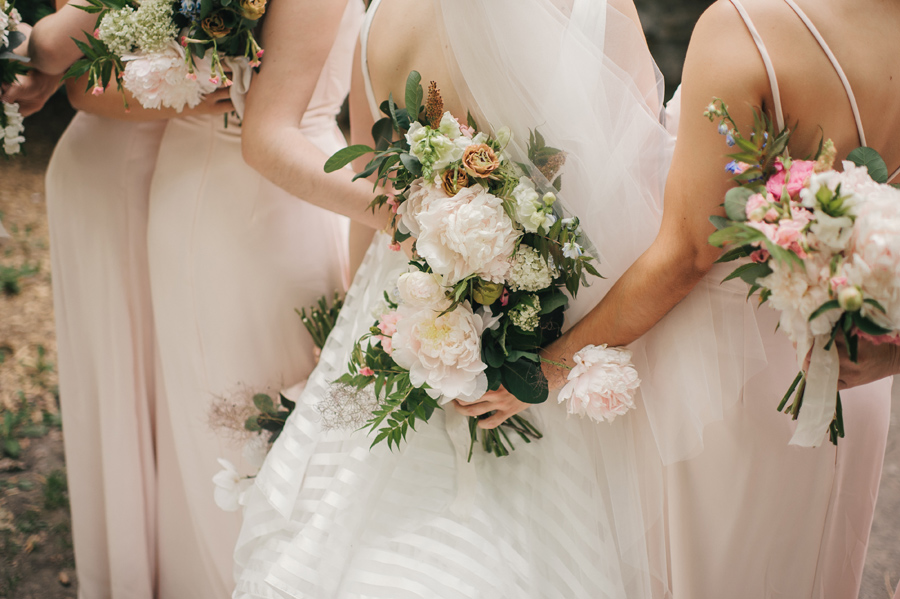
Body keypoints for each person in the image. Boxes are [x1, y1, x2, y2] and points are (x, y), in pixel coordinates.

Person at [232, 0, 681, 597]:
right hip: (542, 347)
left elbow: (372, 201)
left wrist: (356, 318)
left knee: (341, 537)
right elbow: (643, 217)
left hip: (396, 313)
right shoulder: (590, 7)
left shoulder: (380, 20)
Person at [526, 0, 897, 596]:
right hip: (850, 373)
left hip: (727, 383)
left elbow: (686, 256)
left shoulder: (745, 26)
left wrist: (550, 366)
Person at [4, 2, 232, 597]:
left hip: (187, 173)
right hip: (116, 175)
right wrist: (189, 95)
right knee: (123, 385)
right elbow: (70, 65)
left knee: (171, 381)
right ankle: (131, 569)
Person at [143, 1, 362, 597]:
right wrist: (404, 214)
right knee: (233, 433)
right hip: (249, 198)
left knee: (296, 425)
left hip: (293, 191)